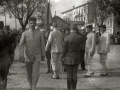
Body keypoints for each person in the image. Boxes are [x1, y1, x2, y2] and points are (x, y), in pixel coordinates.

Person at [19, 17, 45, 90]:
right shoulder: (25, 33)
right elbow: (21, 45)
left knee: (35, 73)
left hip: (37, 56)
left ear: (35, 23)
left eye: (34, 23)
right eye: (31, 23)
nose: (32, 24)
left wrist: (43, 54)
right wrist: (21, 56)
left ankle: (34, 87)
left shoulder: (39, 33)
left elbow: (43, 44)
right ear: (29, 24)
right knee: (29, 74)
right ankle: (30, 85)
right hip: (28, 56)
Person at [61, 23, 83, 90]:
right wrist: (81, 59)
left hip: (68, 58)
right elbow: (82, 49)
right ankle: (74, 88)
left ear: (70, 29)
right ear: (76, 29)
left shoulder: (66, 38)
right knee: (75, 75)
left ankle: (69, 89)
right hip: (76, 58)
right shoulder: (80, 37)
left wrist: (62, 57)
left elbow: (64, 50)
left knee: (69, 75)